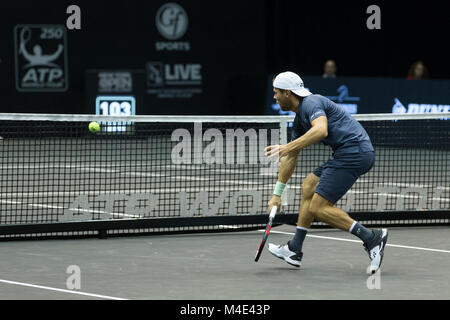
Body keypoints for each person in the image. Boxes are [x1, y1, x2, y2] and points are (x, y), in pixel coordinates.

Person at [264, 71, 388, 274]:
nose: (275, 97)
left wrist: (287, 147)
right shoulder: (298, 120)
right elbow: (291, 156)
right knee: (308, 187)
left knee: (319, 208)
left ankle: (372, 238)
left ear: (288, 92)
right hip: (345, 153)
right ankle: (294, 249)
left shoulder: (312, 103)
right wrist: (278, 193)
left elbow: (320, 130)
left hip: (355, 152)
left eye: (277, 92)